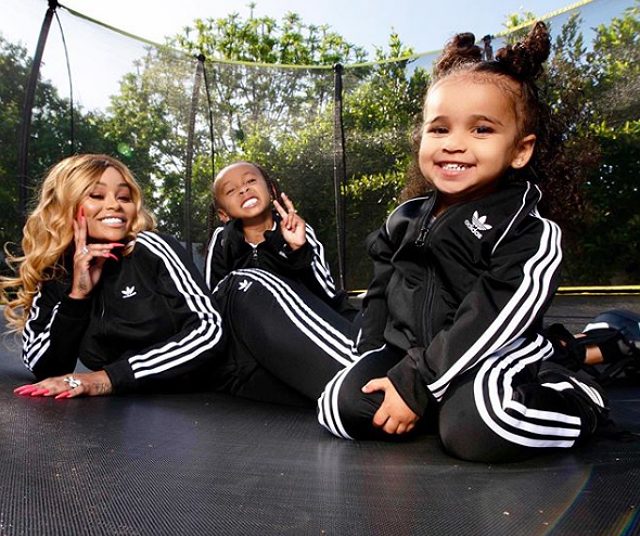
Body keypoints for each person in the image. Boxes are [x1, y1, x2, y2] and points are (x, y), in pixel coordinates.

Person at [2, 154, 223, 399]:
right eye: (97, 195)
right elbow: (42, 366)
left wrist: (107, 379)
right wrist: (77, 296)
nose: (115, 205)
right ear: (65, 205)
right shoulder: (57, 271)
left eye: (124, 197)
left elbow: (209, 330)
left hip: (213, 388)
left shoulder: (152, 249)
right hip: (138, 406)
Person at [205, 161, 355, 318]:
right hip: (249, 327)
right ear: (223, 214)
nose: (244, 189)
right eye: (231, 190)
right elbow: (213, 302)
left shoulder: (296, 229)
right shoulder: (222, 240)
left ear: (271, 190)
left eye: (250, 180)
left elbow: (327, 295)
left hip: (303, 321)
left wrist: (299, 251)